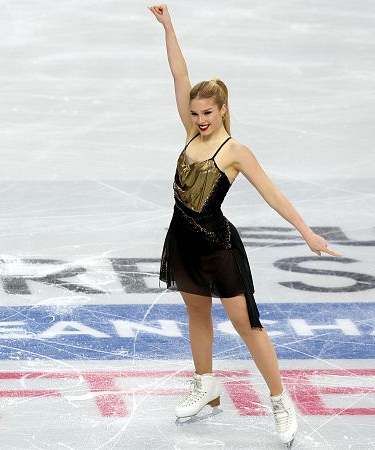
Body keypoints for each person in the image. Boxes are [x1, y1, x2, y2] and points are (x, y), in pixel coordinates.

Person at [148, 5, 339, 447]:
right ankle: (206, 385)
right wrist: (170, 28)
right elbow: (179, 75)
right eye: (195, 112)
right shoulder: (191, 134)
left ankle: (280, 401)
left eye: (207, 113)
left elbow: (271, 193)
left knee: (246, 323)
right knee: (196, 312)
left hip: (218, 247)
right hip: (182, 241)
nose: (199, 119)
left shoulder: (235, 151)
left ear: (223, 110)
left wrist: (305, 232)